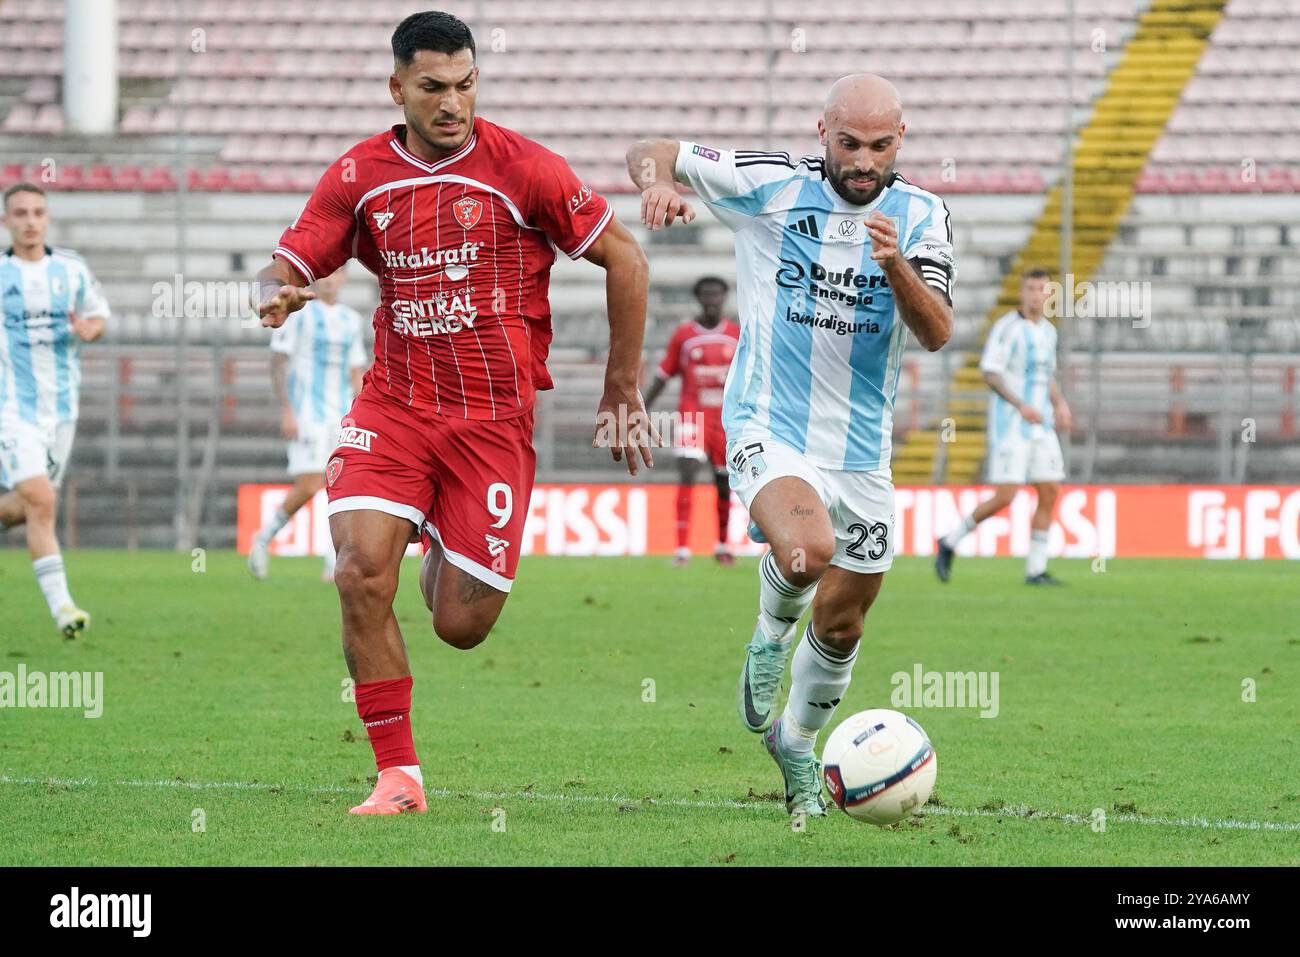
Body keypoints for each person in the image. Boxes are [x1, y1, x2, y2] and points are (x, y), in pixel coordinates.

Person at [253, 11, 653, 816]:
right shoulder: (358, 174)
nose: (452, 103)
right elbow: (288, 260)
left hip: (490, 422)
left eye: (465, 85)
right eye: (433, 87)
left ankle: (440, 527)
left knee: (461, 624)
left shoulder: (526, 168)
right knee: (360, 573)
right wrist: (275, 291)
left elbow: (625, 256)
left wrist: (621, 385)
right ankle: (399, 776)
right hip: (393, 407)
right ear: (396, 87)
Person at [627, 73, 954, 816]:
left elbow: (936, 332)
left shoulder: (924, 216)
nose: (862, 161)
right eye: (848, 143)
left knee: (844, 623)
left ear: (900, 141)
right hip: (768, 423)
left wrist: (894, 264)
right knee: (805, 550)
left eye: (879, 146)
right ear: (821, 133)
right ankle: (769, 636)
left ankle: (798, 743)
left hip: (863, 453)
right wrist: (655, 185)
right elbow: (651, 150)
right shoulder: (770, 185)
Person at [0, 182, 108, 638]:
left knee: (29, 509)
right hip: (11, 408)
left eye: (37, 212)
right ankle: (64, 610)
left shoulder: (71, 270)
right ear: (7, 220)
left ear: (47, 219)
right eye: (20, 212)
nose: (29, 220)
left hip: (61, 410)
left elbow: (98, 315)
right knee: (42, 500)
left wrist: (89, 329)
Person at [935, 268, 1071, 585]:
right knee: (1006, 495)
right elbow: (990, 373)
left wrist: (1060, 403)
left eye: (1042, 289)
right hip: (1012, 426)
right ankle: (950, 540)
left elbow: (1047, 374)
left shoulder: (1049, 332)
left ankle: (1036, 570)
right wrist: (1019, 404)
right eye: (1031, 289)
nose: (1037, 294)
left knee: (1050, 489)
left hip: (1042, 426)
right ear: (1022, 293)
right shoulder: (1007, 329)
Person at [248, 265, 367, 583]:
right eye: (328, 273)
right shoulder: (299, 314)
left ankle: (333, 563)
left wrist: (361, 414)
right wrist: (287, 410)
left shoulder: (350, 321)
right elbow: (278, 361)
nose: (331, 278)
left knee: (341, 487)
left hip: (341, 418)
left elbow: (356, 373)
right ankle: (262, 538)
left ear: (344, 278)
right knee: (311, 484)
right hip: (307, 416)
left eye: (338, 273)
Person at [642, 276, 740, 565]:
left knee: (724, 483)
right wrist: (642, 407)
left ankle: (722, 545)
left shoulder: (736, 334)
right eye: (707, 294)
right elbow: (663, 375)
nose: (712, 298)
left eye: (717, 293)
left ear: (724, 297)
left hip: (725, 419)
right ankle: (682, 549)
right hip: (692, 415)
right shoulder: (684, 335)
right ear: (698, 297)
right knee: (688, 473)